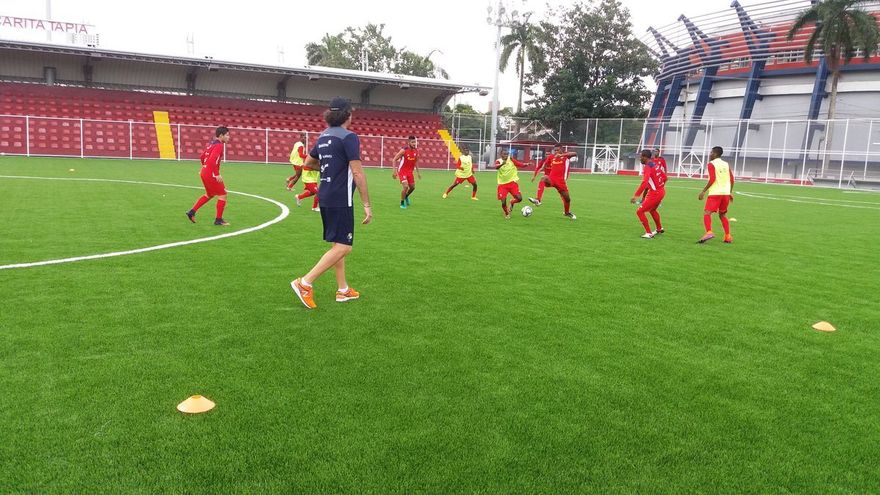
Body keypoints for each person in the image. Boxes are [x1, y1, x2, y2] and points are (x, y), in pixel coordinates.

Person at [291, 98, 372, 309]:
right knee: (344, 247)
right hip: (340, 198)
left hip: (325, 195)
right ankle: (305, 283)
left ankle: (343, 290)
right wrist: (367, 204)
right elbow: (357, 173)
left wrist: (330, 167)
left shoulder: (324, 136)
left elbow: (308, 163)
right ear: (347, 115)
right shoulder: (349, 137)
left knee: (337, 244)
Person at [186, 126, 231, 226]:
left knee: (210, 194)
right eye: (227, 135)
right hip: (211, 173)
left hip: (205, 172)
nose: (229, 137)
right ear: (221, 135)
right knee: (223, 194)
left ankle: (191, 212)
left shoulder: (211, 144)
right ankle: (218, 220)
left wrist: (204, 168)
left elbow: (202, 157)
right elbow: (212, 160)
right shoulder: (219, 145)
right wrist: (216, 174)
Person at [698, 146, 734, 244]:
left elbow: (712, 179)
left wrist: (703, 191)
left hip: (715, 193)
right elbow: (732, 179)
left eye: (711, 153)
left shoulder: (711, 164)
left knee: (707, 213)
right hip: (725, 194)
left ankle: (709, 232)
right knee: (722, 215)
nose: (710, 154)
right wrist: (730, 192)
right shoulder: (726, 164)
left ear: (715, 154)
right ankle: (728, 236)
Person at [631, 149, 667, 238]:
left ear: (645, 157)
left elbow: (644, 182)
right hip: (661, 191)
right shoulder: (654, 164)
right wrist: (659, 186)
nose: (640, 159)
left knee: (640, 211)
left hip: (655, 193)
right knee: (652, 210)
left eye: (641, 157)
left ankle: (648, 233)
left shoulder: (648, 167)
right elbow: (665, 178)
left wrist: (636, 195)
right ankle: (659, 228)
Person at [543, 146, 578, 219]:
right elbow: (545, 164)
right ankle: (538, 198)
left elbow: (575, 153)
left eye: (557, 150)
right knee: (545, 178)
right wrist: (544, 169)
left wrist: (561, 155)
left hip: (561, 182)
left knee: (567, 199)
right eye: (555, 150)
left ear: (561, 149)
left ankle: (566, 212)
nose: (556, 152)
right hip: (552, 179)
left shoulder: (565, 156)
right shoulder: (551, 157)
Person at [495, 148, 529, 219]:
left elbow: (519, 164)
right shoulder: (498, 161)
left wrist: (526, 164)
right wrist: (502, 164)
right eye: (504, 154)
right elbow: (496, 167)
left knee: (519, 198)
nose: (506, 155)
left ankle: (512, 202)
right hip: (502, 185)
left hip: (512, 183)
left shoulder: (511, 160)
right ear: (501, 154)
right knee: (503, 202)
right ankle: (507, 214)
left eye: (507, 154)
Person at [392, 136, 421, 209]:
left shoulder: (416, 151)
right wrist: (394, 171)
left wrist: (418, 172)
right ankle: (402, 203)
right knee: (405, 187)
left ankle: (406, 196)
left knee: (412, 187)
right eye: (412, 142)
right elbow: (394, 159)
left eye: (415, 142)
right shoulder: (403, 150)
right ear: (408, 143)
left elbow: (416, 162)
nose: (414, 144)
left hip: (410, 172)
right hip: (402, 171)